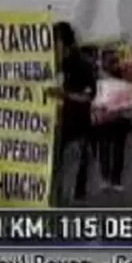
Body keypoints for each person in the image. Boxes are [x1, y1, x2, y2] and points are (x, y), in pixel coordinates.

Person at [48, 22, 97, 206]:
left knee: (67, 179)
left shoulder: (82, 65)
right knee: (52, 180)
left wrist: (65, 95)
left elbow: (89, 96)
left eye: (55, 42)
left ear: (65, 43)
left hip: (74, 132)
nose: (52, 47)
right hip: (51, 134)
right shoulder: (50, 66)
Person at [95, 50, 132, 192]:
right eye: (110, 60)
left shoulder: (122, 75)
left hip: (118, 118)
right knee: (106, 148)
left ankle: (114, 179)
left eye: (114, 60)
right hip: (106, 118)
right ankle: (107, 178)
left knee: (116, 150)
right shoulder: (100, 77)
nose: (113, 63)